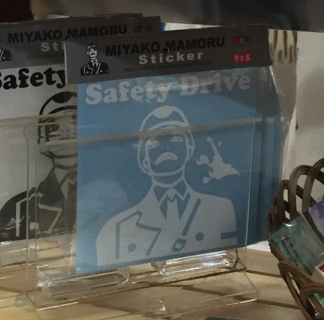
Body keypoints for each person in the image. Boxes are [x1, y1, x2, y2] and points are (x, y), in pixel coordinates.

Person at [95, 105, 237, 266]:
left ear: (189, 148)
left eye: (176, 139)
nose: (166, 146)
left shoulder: (220, 210)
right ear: (144, 160)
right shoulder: (116, 228)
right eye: (154, 143)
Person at [0, 91, 77, 242]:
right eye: (53, 127)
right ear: (42, 136)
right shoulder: (18, 208)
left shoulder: (112, 194)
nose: (65, 132)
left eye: (73, 123)